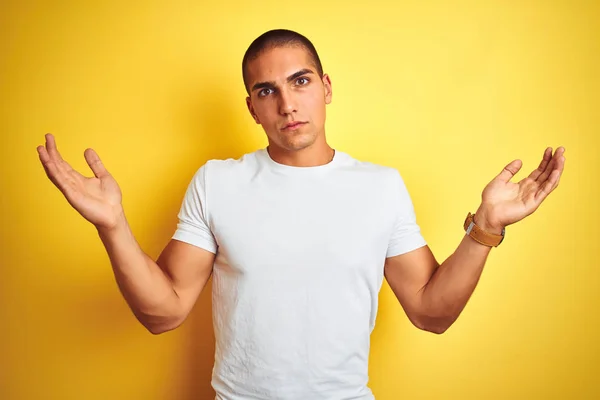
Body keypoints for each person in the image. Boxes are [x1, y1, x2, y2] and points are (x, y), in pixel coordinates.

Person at [37, 29, 565, 400]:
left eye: (301, 81)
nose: (287, 103)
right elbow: (165, 311)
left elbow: (431, 312)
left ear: (327, 87)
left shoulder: (380, 187)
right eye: (267, 90)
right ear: (252, 107)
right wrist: (113, 225)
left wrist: (486, 229)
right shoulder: (218, 182)